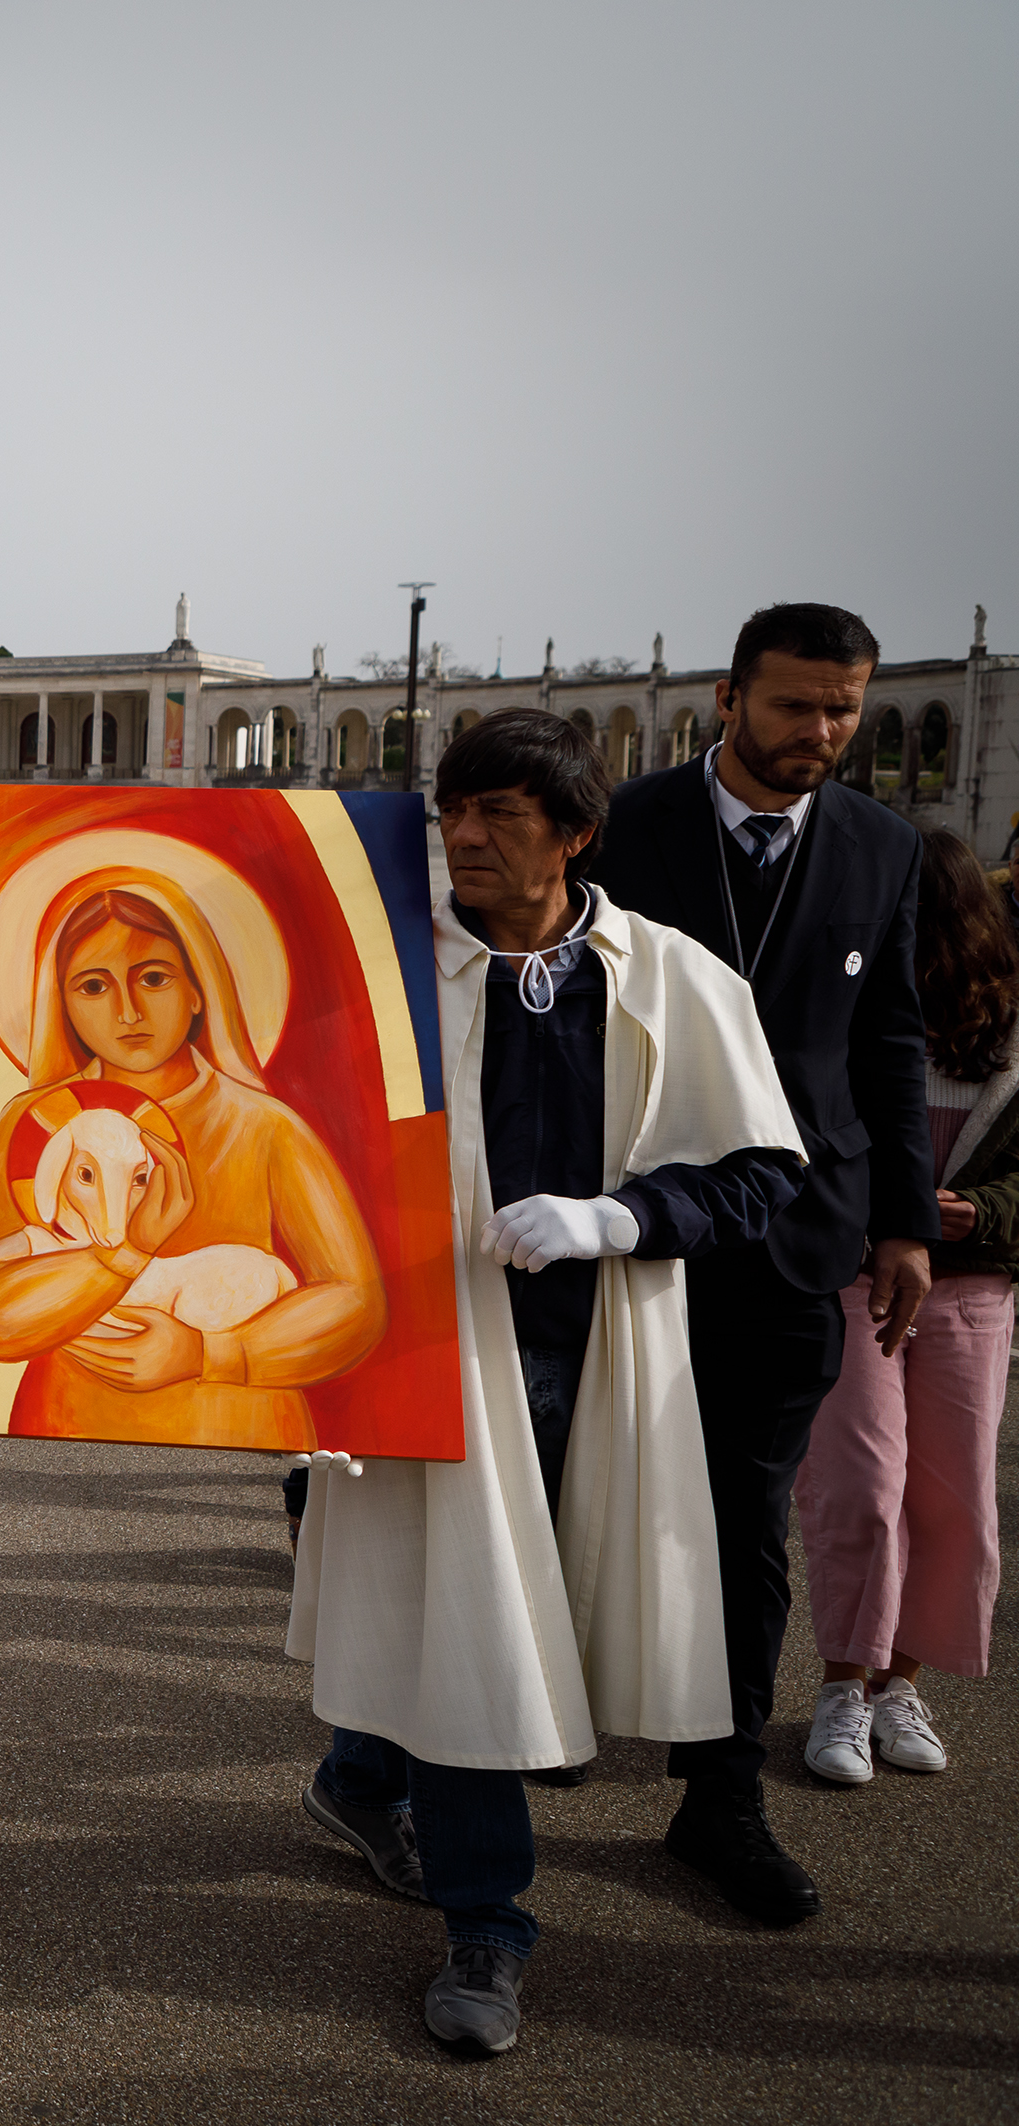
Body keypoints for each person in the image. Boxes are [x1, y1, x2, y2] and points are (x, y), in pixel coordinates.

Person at [293, 711, 803, 2055]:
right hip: (426, 1343)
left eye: (502, 816)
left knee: (501, 1610)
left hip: (597, 1344)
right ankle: (489, 1922)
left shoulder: (676, 980)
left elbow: (761, 1172)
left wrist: (619, 1217)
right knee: (473, 1619)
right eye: (453, 811)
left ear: (577, 833)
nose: (463, 837)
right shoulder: (393, 972)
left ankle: (357, 1775)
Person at [588, 602, 937, 1924]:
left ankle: (720, 1794)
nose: (822, 733)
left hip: (800, 1237)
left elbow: (889, 1042)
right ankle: (551, 1727)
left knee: (749, 1527)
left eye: (842, 708)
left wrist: (900, 1220)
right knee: (587, 1492)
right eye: (795, 706)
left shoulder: (882, 845)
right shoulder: (619, 825)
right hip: (638, 1224)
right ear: (727, 699)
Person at [0, 866, 382, 1450]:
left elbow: (356, 1301)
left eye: (153, 977)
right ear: (62, 1005)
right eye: (93, 986)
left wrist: (208, 1353)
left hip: (234, 1434)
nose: (127, 1011)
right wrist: (126, 1254)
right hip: (68, 1434)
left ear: (199, 988)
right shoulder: (37, 1126)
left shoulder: (264, 1127)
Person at [797, 826, 1015, 1784]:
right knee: (859, 1487)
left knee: (954, 1500)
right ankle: (844, 1686)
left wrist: (982, 1214)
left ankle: (898, 1685)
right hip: (849, 1272)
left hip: (970, 1282)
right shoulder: (831, 998)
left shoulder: (1004, 1017)